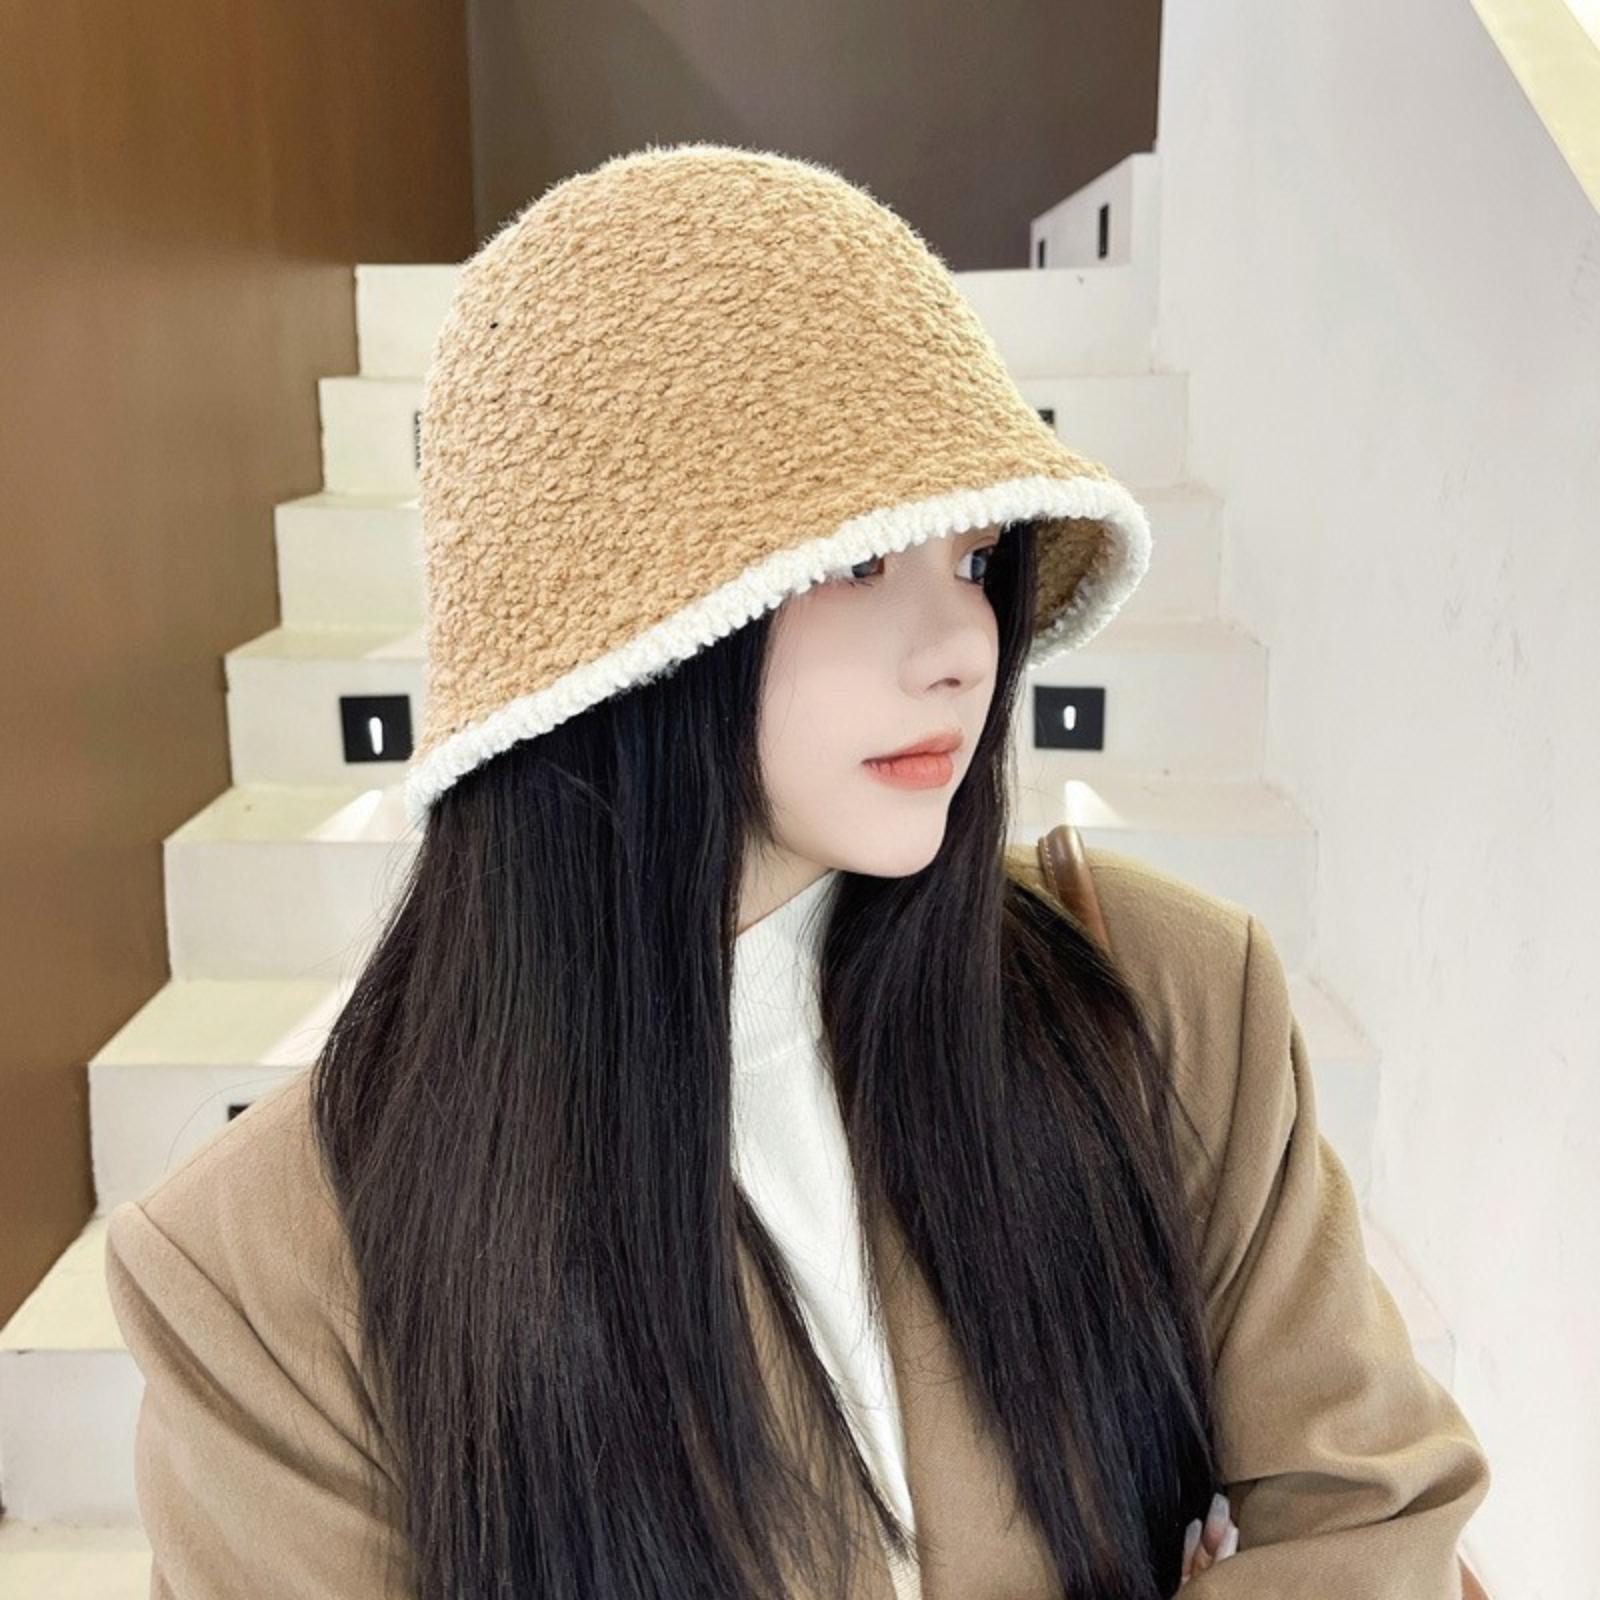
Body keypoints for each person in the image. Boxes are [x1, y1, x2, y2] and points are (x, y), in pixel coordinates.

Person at [105, 142, 1489, 1600]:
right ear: (614, 632)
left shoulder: (1170, 1001)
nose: (962, 649)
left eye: (975, 561)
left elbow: (1376, 1526)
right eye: (856, 562)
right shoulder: (269, 1274)